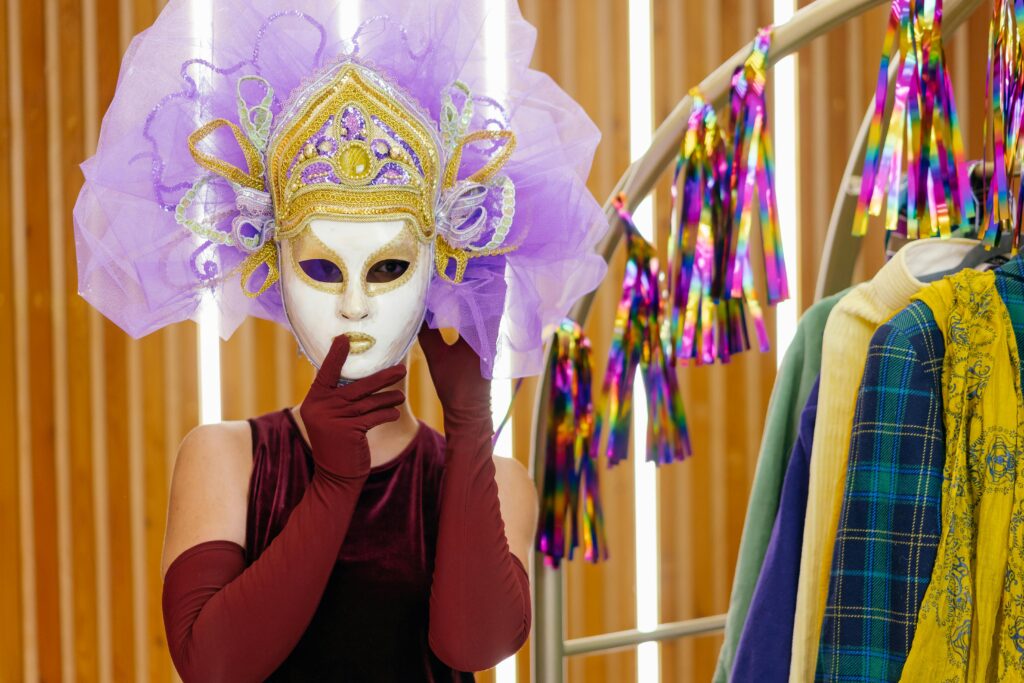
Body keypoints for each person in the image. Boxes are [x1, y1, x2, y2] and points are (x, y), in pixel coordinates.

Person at [73, 1, 608, 679]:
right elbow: (211, 663)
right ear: (274, 261)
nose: (356, 304)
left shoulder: (495, 482)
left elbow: (472, 646)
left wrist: (471, 425)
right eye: (323, 267)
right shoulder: (225, 459)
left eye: (389, 268)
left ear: (437, 265)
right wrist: (332, 483)